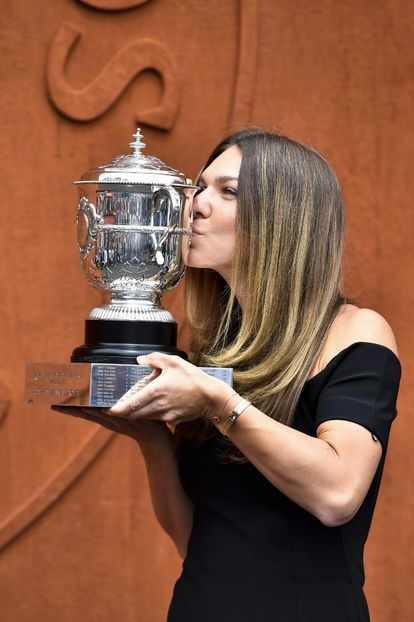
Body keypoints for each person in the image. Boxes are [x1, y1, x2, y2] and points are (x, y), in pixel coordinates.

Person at [63, 129, 401, 621]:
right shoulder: (214, 355)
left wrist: (220, 406)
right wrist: (153, 442)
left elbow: (337, 494)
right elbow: (193, 541)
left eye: (229, 191)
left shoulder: (355, 331)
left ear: (285, 218)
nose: (194, 205)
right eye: (199, 187)